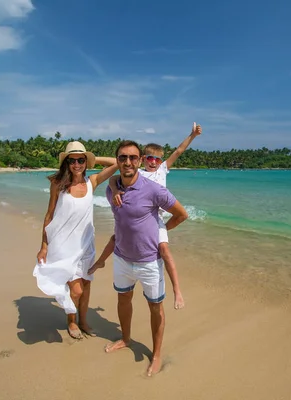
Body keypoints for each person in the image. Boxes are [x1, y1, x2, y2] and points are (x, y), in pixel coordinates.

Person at [88, 140, 189, 376]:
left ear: (140, 161)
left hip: (150, 262)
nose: (128, 162)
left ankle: (156, 355)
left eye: (133, 158)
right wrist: (114, 188)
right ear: (118, 161)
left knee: (156, 308)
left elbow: (181, 214)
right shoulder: (110, 190)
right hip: (122, 259)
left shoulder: (154, 190)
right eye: (123, 158)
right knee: (123, 300)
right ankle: (125, 338)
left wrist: (160, 230)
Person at [92, 123, 202, 309]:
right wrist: (111, 184)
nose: (153, 162)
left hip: (156, 220)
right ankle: (100, 262)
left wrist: (192, 135)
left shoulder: (162, 169)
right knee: (115, 239)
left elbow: (179, 151)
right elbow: (114, 172)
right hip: (139, 218)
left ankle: (177, 290)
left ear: (160, 162)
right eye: (150, 158)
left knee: (165, 251)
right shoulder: (138, 171)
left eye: (157, 159)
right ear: (143, 160)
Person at [34, 141, 118, 340]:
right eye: (73, 160)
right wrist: (44, 245)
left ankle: (83, 321)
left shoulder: (92, 182)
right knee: (76, 289)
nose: (77, 164)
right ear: (67, 163)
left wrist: (91, 159)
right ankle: (71, 320)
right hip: (63, 244)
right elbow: (49, 215)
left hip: (86, 244)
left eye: (81, 160)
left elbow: (117, 163)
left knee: (86, 284)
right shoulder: (57, 184)